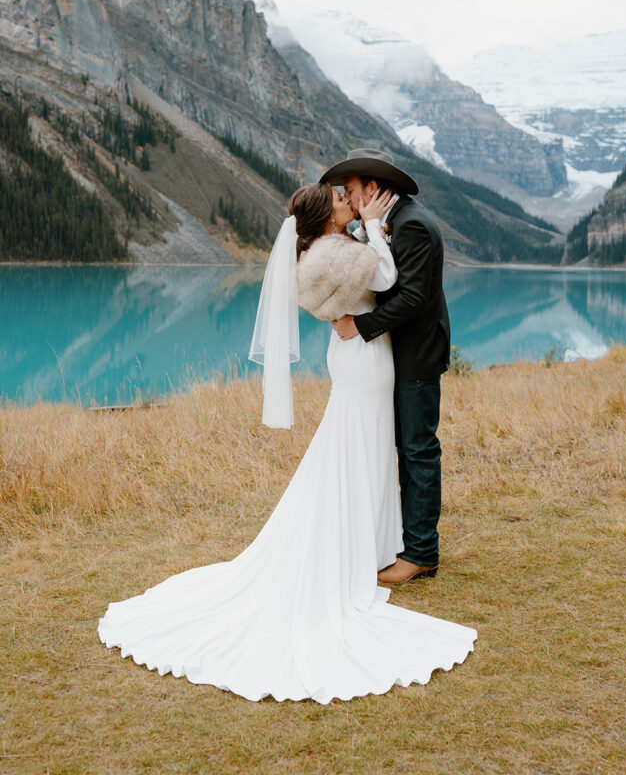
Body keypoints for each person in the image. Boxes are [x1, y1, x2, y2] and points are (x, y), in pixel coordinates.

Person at [98, 176, 476, 705]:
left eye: (352, 194)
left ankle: (374, 543)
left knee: (359, 448)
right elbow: (387, 276)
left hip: (357, 357)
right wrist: (371, 228)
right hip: (365, 360)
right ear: (328, 216)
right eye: (343, 199)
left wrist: (366, 233)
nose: (350, 201)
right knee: (359, 448)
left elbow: (367, 285)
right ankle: (371, 547)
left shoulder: (325, 249)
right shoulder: (336, 251)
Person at [322, 148, 450, 587]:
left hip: (415, 355)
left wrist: (360, 325)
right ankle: (401, 540)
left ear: (373, 188)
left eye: (352, 191)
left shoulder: (411, 224)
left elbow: (412, 297)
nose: (349, 199)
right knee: (404, 447)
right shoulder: (387, 222)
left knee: (417, 450)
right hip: (398, 354)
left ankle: (420, 554)